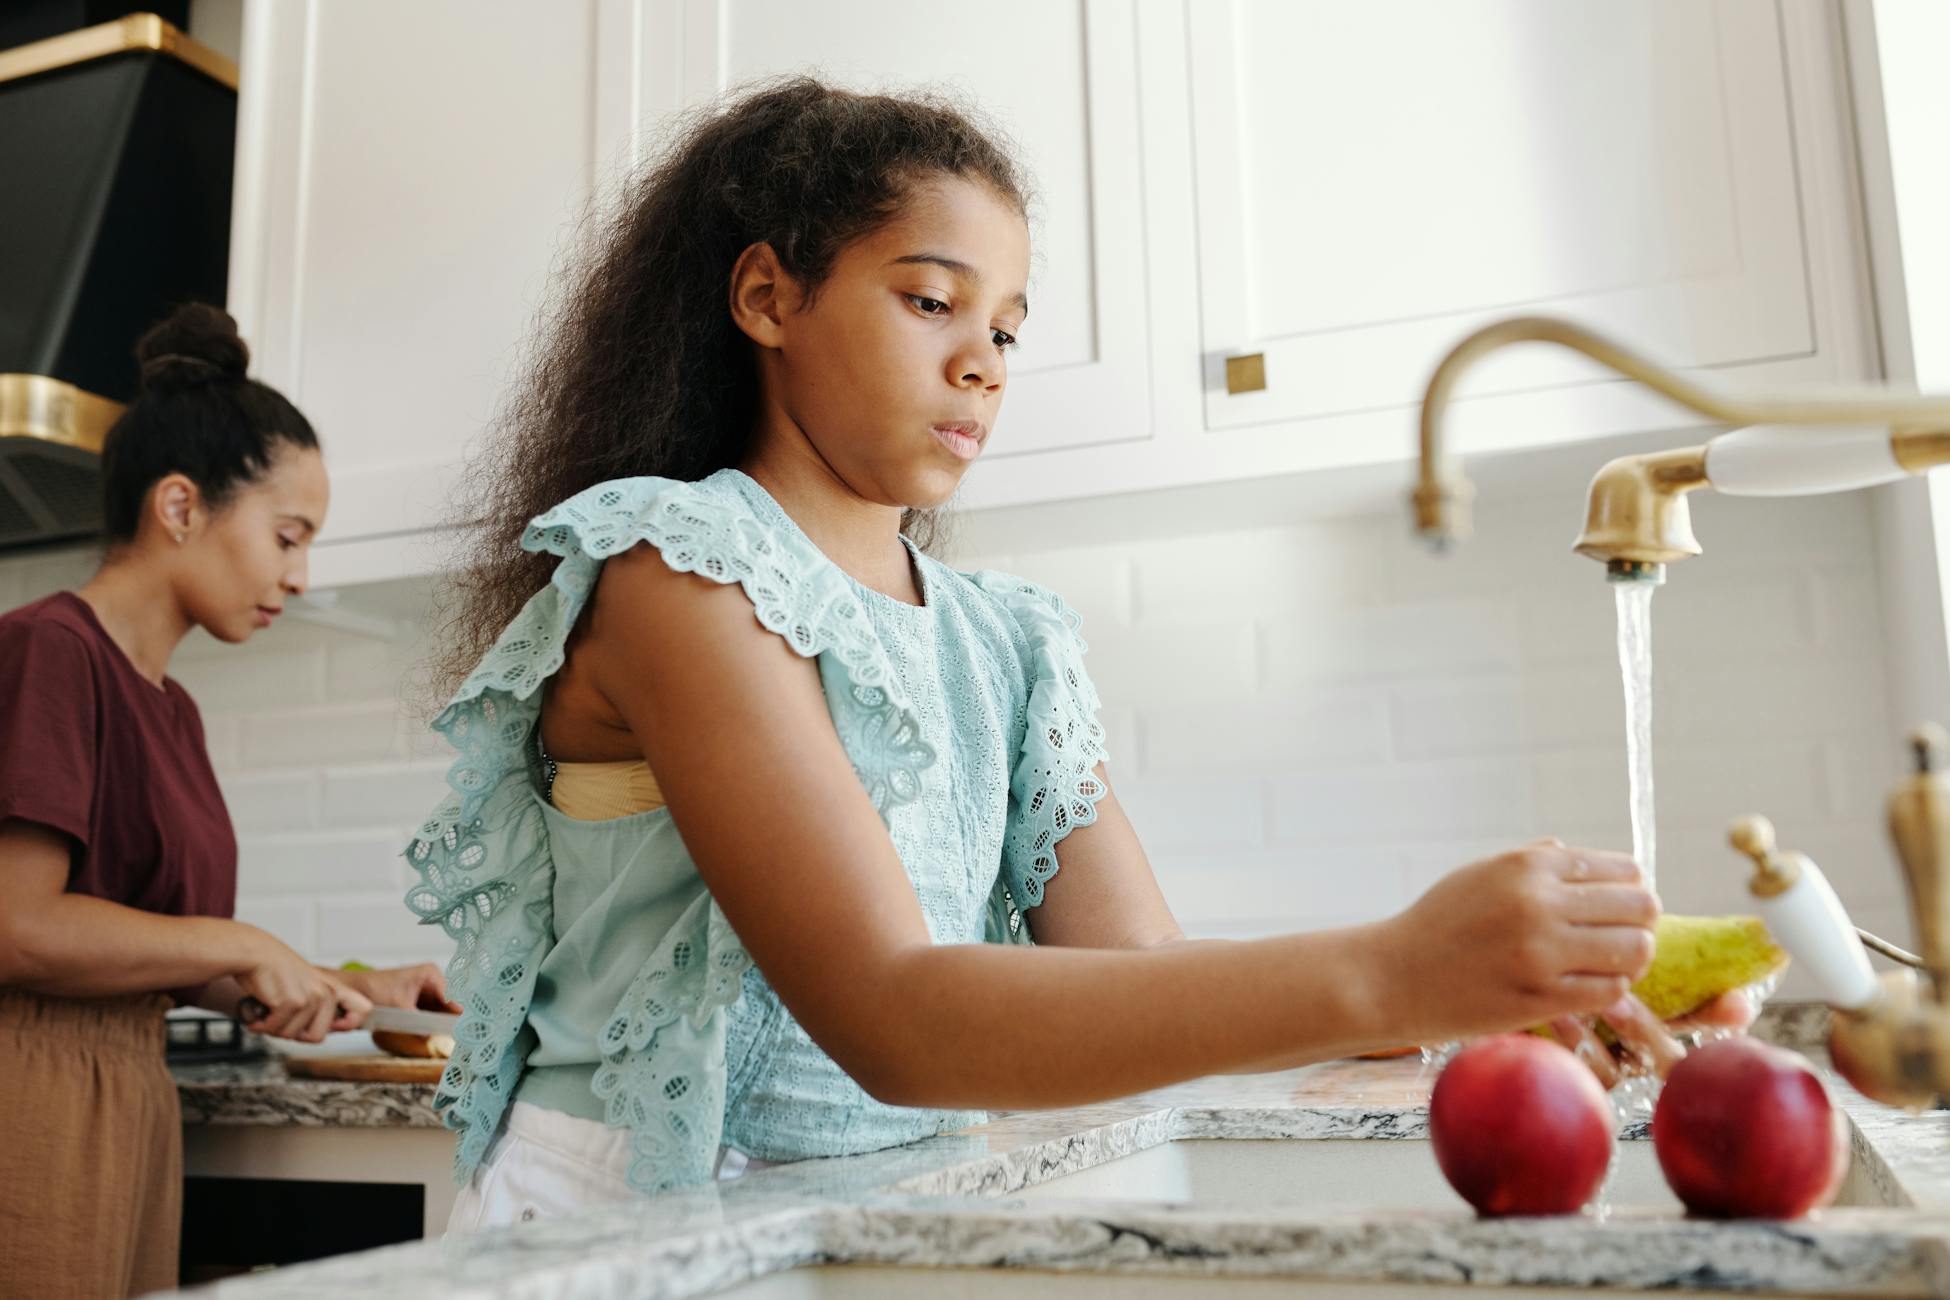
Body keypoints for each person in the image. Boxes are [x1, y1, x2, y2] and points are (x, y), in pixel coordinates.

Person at [418, 78, 1749, 1231]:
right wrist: (1390, 965)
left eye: (1005, 327)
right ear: (768, 297)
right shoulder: (678, 571)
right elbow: (894, 1017)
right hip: (615, 1216)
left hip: (884, 1207)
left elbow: (1139, 978)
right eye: (933, 301)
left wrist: (1468, 997)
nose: (982, 362)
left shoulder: (1008, 639)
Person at [0, 304, 454, 1298]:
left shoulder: (175, 709)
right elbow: (19, 927)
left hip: (131, 1098)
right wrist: (241, 944)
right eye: (289, 536)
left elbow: (157, 950)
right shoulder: (51, 652)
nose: (299, 574)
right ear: (179, 507)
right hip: (26, 1092)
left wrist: (353, 986)